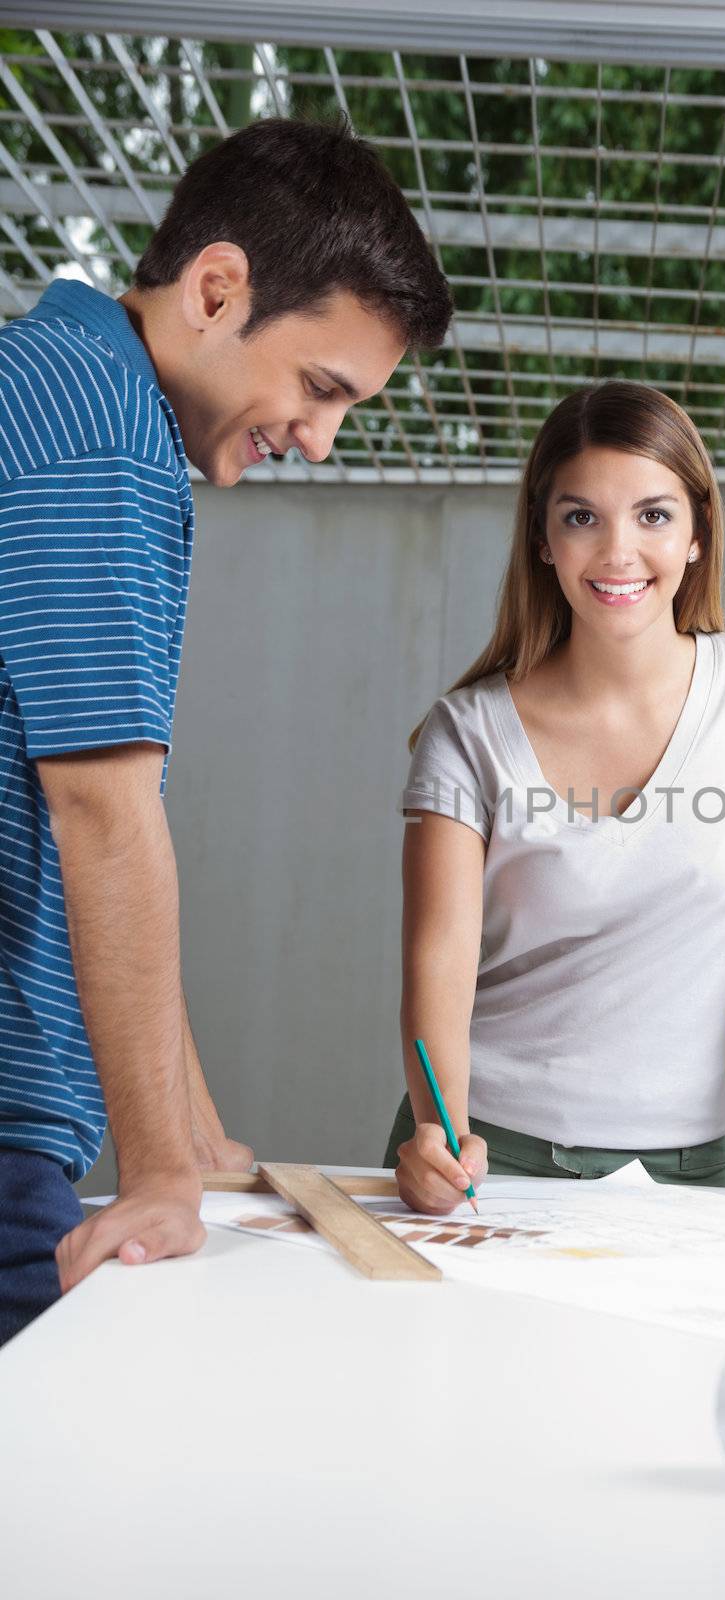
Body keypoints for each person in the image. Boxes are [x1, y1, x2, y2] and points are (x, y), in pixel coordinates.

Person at [0, 117, 452, 1344]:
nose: (318, 437)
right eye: (319, 388)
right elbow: (102, 813)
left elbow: (88, 825)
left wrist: (193, 1130)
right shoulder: (102, 433)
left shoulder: (53, 387)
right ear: (215, 289)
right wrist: (157, 1173)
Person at [388, 381, 725, 1226]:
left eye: (652, 515)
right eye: (580, 517)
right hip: (488, 1153)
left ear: (697, 532)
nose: (617, 553)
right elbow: (440, 954)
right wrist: (437, 1130)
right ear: (540, 537)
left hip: (684, 1167)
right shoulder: (470, 730)